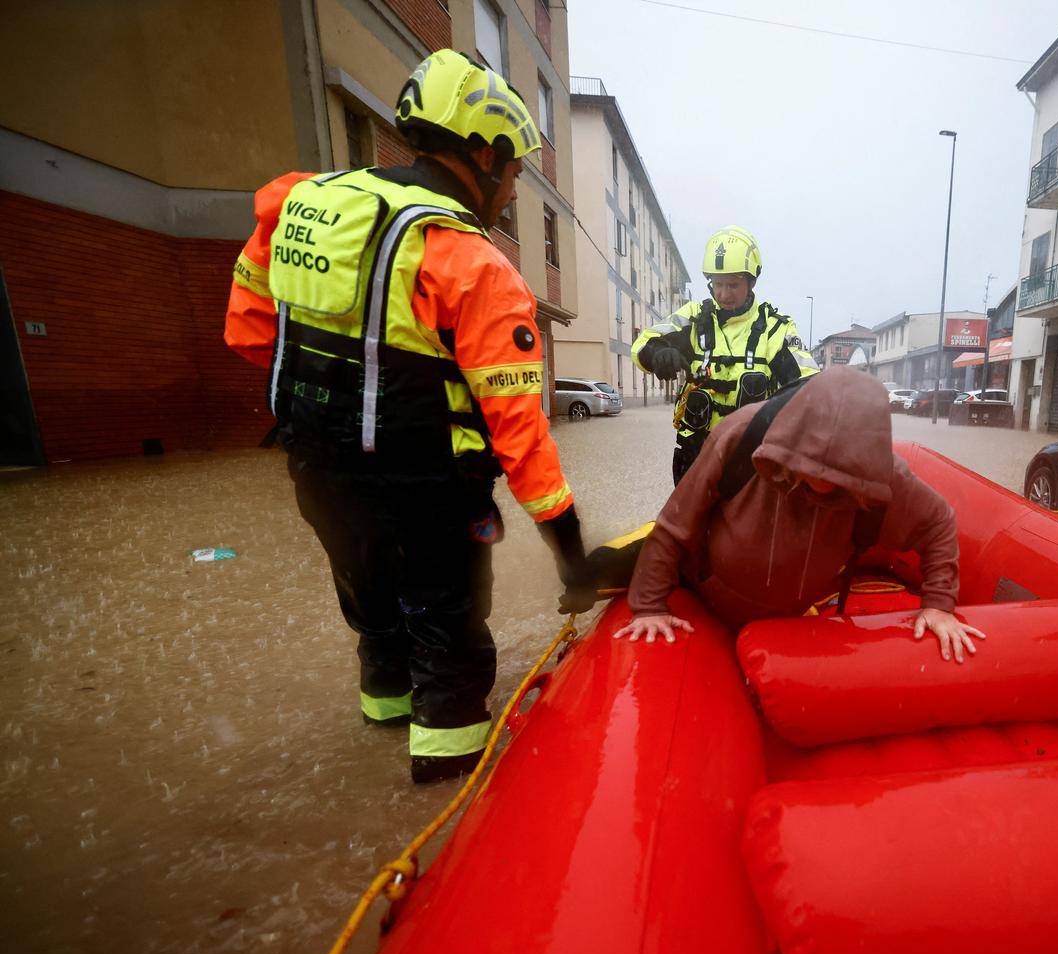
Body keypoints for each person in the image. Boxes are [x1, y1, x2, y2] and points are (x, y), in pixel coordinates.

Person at [224, 50, 594, 783]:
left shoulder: (300, 204)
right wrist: (573, 554)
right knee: (449, 631)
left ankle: (383, 715)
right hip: (428, 483)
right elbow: (521, 435)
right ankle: (448, 792)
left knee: (373, 609)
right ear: (484, 153)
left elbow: (249, 332)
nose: (511, 191)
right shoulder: (469, 262)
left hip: (314, 464)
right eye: (515, 172)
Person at [612, 368, 985, 662]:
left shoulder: (885, 480)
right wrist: (648, 608)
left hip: (791, 618)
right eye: (806, 473)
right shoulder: (741, 435)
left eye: (834, 482)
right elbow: (676, 522)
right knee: (603, 568)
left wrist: (938, 605)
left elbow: (939, 523)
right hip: (705, 598)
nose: (817, 487)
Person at [631, 226, 817, 483]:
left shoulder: (776, 329)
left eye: (733, 284)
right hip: (695, 455)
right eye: (718, 284)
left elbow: (810, 389)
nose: (724, 294)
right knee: (689, 523)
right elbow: (641, 344)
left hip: (751, 461)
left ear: (752, 282)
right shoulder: (694, 317)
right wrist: (657, 353)